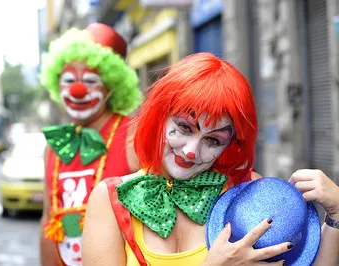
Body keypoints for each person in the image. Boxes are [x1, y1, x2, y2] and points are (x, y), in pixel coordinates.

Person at [82, 53, 339, 265]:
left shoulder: (247, 192)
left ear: (231, 144)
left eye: (213, 140)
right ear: (160, 116)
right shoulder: (112, 199)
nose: (192, 151)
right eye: (184, 128)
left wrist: (337, 214)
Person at [39, 23, 143, 266]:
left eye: (90, 80)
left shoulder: (133, 134)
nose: (77, 90)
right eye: (68, 80)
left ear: (112, 85)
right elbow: (47, 220)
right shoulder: (54, 146)